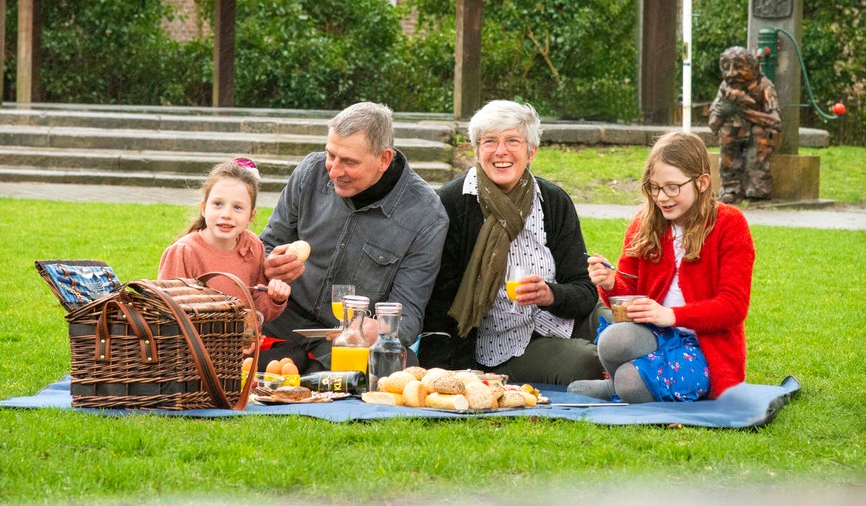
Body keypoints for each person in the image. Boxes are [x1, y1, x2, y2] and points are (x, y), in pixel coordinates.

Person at [419, 100, 604, 385]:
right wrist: (450, 372)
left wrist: (549, 295)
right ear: (476, 150)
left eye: (512, 141)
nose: (501, 151)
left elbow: (583, 288)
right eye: (490, 141)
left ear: (531, 151)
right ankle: (620, 377)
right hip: (504, 344)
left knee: (624, 330)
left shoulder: (553, 200)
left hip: (563, 316)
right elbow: (438, 298)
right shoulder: (453, 201)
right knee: (587, 361)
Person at [258, 102, 449, 370]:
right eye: (331, 155)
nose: (334, 171)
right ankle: (295, 362)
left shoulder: (426, 216)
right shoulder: (310, 172)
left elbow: (408, 316)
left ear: (384, 159)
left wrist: (375, 328)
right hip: (280, 314)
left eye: (348, 162)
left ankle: (291, 363)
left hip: (345, 338)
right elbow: (266, 245)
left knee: (396, 365)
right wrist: (269, 263)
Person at [568, 131, 755, 403]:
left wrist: (671, 315)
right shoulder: (644, 223)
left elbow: (733, 307)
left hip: (704, 348)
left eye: (672, 187)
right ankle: (620, 384)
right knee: (613, 340)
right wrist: (609, 282)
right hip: (655, 334)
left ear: (702, 182)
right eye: (654, 187)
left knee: (632, 383)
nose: (661, 197)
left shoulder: (729, 224)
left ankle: (619, 387)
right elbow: (628, 294)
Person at [158, 158, 295, 366]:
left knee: (296, 354)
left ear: (251, 216)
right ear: (204, 208)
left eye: (238, 208)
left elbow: (257, 309)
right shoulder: (184, 252)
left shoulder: (253, 246)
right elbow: (171, 318)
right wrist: (228, 342)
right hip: (198, 354)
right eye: (218, 204)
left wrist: (274, 298)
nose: (226, 215)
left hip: (244, 350)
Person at [708, 46, 782, 203]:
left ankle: (758, 187)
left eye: (739, 67)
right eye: (726, 68)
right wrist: (724, 110)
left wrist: (744, 111)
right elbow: (713, 124)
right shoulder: (724, 88)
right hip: (737, 134)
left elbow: (775, 122)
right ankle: (731, 188)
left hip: (760, 136)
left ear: (754, 68)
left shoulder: (764, 86)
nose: (732, 73)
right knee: (727, 134)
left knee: (759, 133)